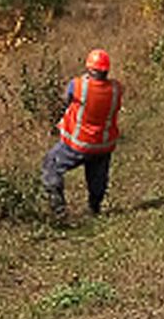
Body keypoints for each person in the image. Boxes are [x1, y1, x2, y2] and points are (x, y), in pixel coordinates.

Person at [40, 48, 123, 221]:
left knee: (50, 165)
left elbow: (66, 98)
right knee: (97, 178)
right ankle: (94, 208)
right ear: (106, 70)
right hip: (103, 146)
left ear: (89, 68)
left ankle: (59, 210)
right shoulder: (116, 89)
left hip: (77, 145)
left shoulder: (78, 85)